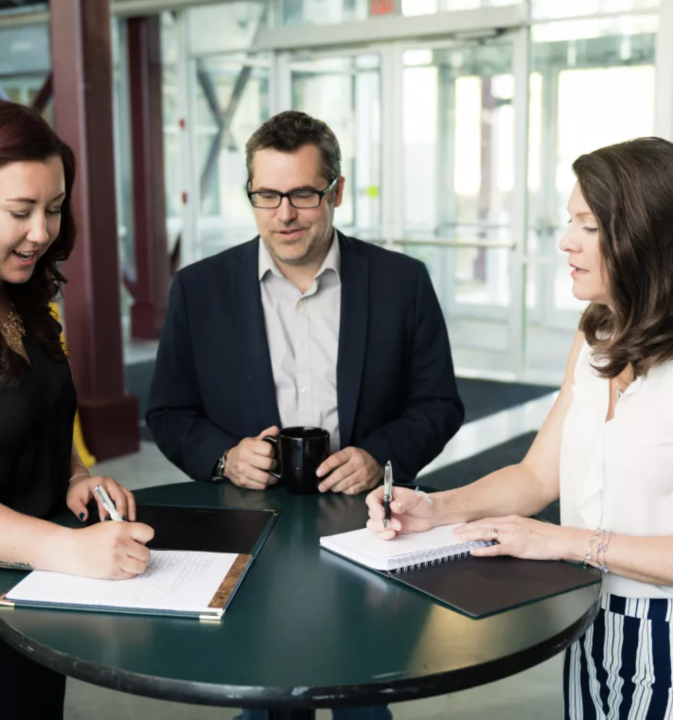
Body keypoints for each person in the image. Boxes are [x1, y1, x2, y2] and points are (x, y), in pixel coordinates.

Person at [366, 136, 673, 719]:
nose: (565, 242)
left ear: (643, 235)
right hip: (588, 618)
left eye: (588, 224)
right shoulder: (594, 338)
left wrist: (564, 542)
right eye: (568, 221)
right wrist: (436, 507)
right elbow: (537, 475)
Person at [0, 101, 154, 720]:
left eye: (54, 207)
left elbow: (31, 412)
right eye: (20, 212)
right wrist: (69, 551)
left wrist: (75, 476)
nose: (42, 232)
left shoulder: (21, 286)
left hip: (31, 591)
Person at [147, 110, 463, 494]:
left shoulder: (403, 282)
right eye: (266, 195)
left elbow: (438, 404)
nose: (285, 215)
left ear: (337, 191)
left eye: (303, 194)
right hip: (245, 509)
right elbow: (168, 412)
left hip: (368, 509)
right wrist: (225, 458)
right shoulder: (198, 288)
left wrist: (380, 457)